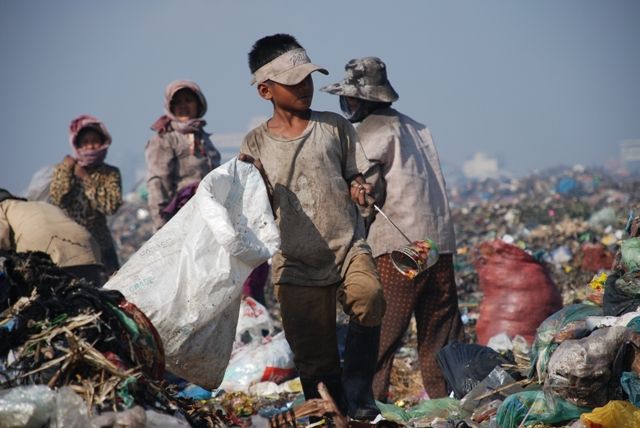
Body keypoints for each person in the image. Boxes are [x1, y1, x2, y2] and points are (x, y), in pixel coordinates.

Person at [239, 34, 385, 421]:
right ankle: (330, 414)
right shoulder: (254, 144)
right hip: (295, 261)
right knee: (313, 355)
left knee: (369, 298)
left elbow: (353, 174)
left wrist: (359, 187)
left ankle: (359, 395)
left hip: (347, 246)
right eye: (294, 82)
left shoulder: (333, 127)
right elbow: (252, 207)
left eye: (308, 79)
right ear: (265, 90)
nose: (306, 88)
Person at [321, 57, 465, 400]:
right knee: (439, 338)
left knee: (378, 335)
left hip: (400, 249)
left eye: (352, 100)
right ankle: (449, 405)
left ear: (368, 100)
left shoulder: (372, 132)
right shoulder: (417, 128)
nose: (348, 106)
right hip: (439, 247)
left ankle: (364, 409)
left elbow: (366, 195)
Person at [50, 115, 122, 277]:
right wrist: (67, 171)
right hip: (70, 244)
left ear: (104, 141)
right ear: (77, 144)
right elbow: (57, 197)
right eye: (86, 142)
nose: (90, 146)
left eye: (95, 140)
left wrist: (86, 179)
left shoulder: (110, 173)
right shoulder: (65, 167)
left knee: (110, 291)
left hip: (101, 245)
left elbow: (110, 206)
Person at [145, 80, 221, 231]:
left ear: (198, 104)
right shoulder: (165, 139)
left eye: (188, 100)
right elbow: (157, 183)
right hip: (180, 217)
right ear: (170, 107)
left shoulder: (202, 136)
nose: (183, 106)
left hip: (208, 214)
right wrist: (162, 225)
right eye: (177, 102)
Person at [0, 188, 105, 286]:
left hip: (49, 257)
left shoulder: (2, 207)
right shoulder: (40, 204)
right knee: (93, 299)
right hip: (87, 252)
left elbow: (1, 239)